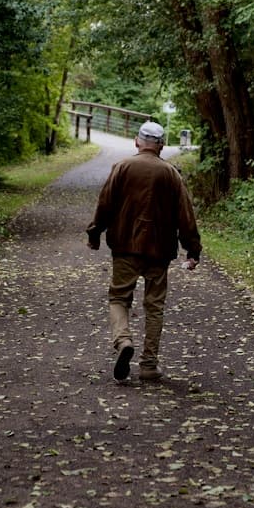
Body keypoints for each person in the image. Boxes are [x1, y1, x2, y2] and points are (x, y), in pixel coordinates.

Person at [87, 120, 201, 382]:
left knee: (118, 298)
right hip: (159, 252)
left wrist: (95, 234)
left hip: (125, 247)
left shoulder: (123, 167)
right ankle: (148, 365)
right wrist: (192, 250)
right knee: (154, 306)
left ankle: (124, 340)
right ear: (161, 146)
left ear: (137, 142)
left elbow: (105, 204)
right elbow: (185, 216)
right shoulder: (171, 174)